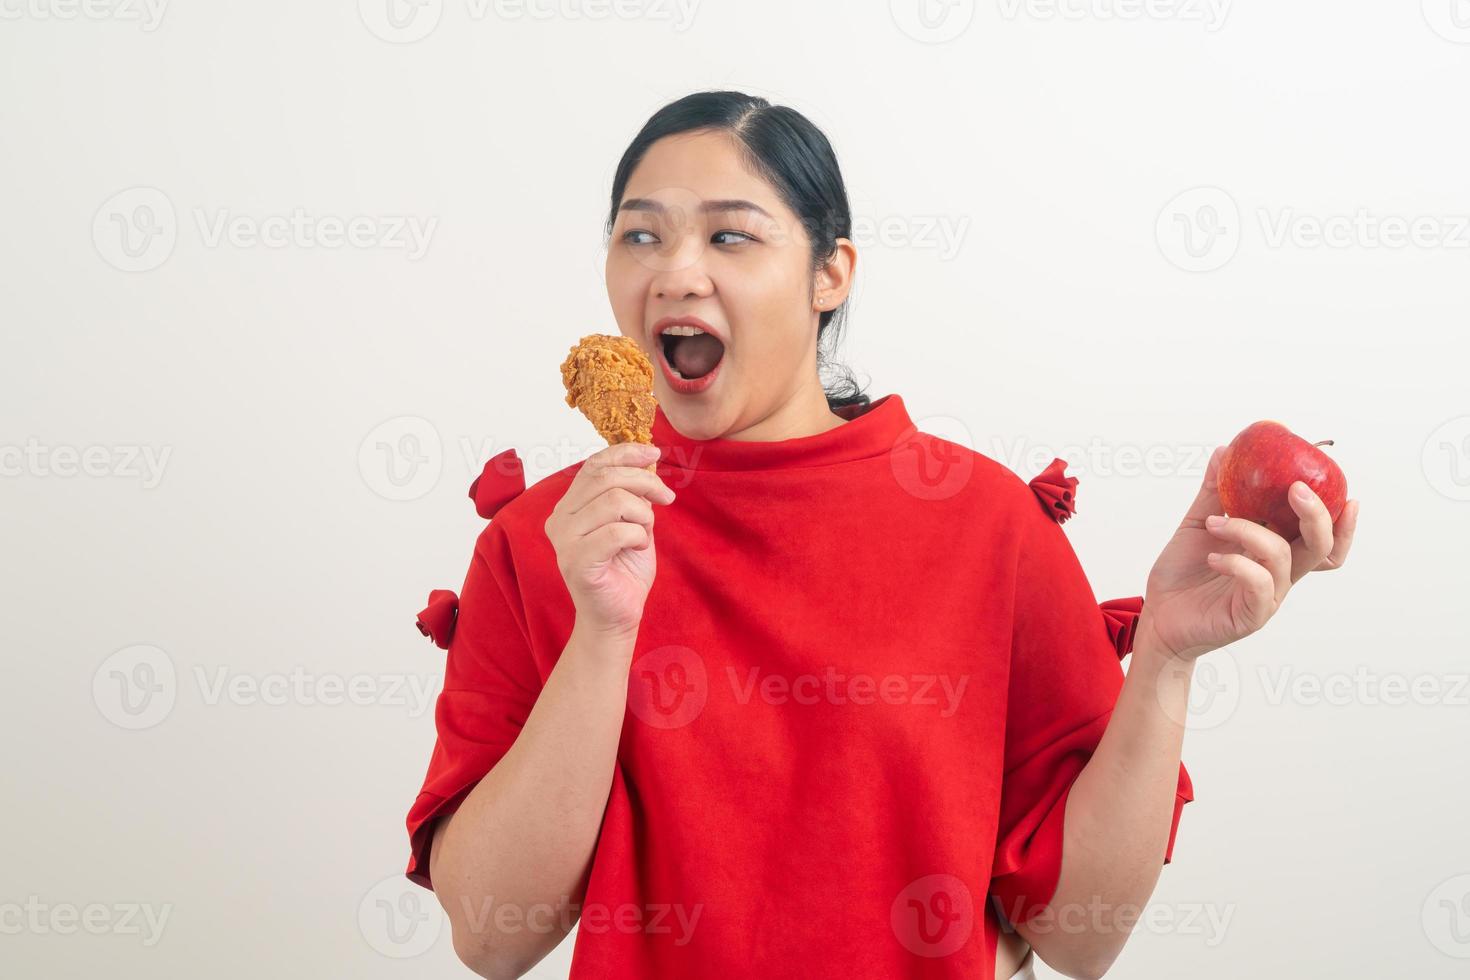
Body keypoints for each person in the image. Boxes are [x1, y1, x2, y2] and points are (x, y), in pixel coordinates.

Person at [403, 90, 1361, 979]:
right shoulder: (548, 541)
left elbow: (1080, 938)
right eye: (639, 236)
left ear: (830, 273)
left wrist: (1163, 656)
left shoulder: (985, 525)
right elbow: (493, 934)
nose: (674, 271)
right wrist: (603, 634)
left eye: (731, 235)